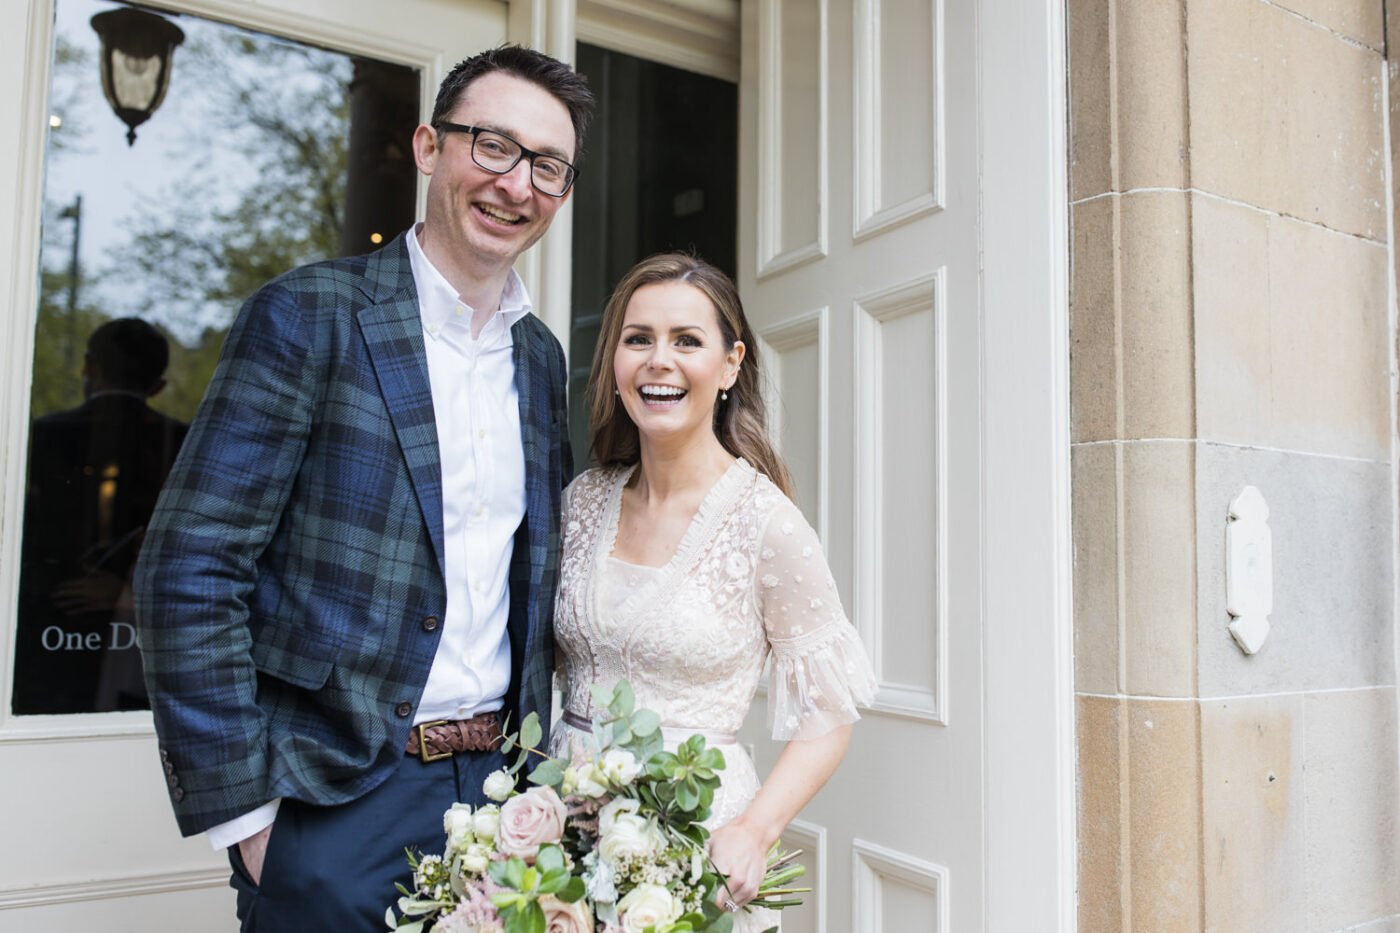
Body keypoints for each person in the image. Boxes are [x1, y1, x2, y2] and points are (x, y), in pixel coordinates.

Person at [133, 46, 592, 932]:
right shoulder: (308, 316)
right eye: (492, 146)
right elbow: (189, 569)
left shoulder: (540, 358)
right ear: (429, 147)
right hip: (334, 803)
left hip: (506, 799)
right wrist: (252, 823)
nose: (517, 184)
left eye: (548, 165)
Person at [551, 253, 878, 930]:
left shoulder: (766, 523)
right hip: (560, 832)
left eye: (686, 341)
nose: (658, 361)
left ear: (730, 364)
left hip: (691, 848)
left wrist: (756, 830)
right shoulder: (582, 501)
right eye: (638, 338)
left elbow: (830, 710)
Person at [13, 317, 187, 715]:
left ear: (90, 367)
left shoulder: (40, 435)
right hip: (147, 641)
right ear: (158, 386)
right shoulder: (183, 443)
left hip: (45, 626)